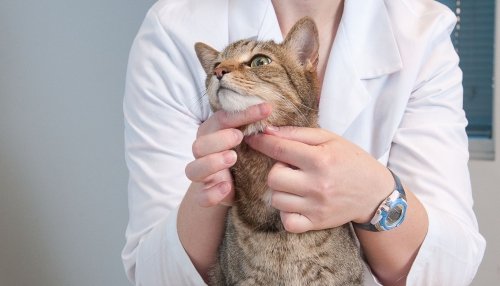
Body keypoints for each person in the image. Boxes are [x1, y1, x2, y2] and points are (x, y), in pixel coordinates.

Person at [121, 0, 486, 285]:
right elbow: (154, 275)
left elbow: (449, 271)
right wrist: (211, 192)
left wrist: (376, 196)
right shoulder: (172, 29)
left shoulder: (423, 30)